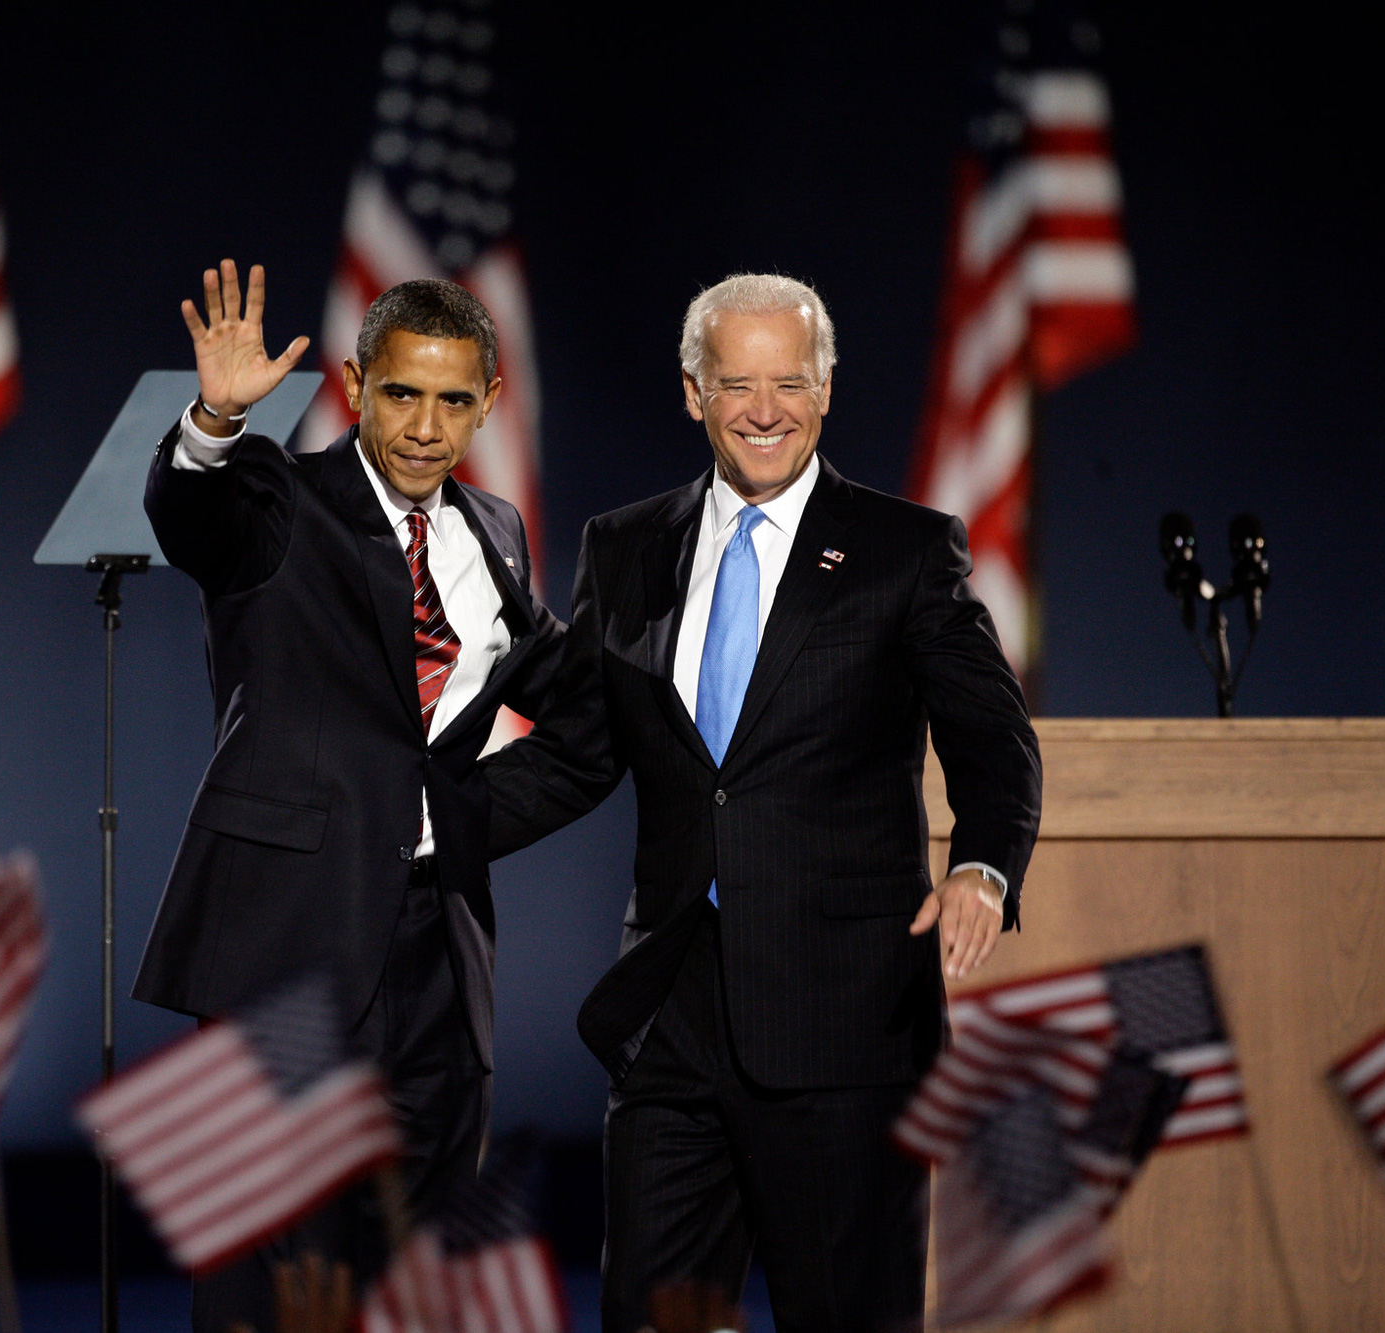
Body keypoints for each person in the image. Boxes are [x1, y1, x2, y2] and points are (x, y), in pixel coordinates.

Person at [482, 274, 1042, 1332]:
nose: (763, 408)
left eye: (788, 381)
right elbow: (581, 754)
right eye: (735, 383)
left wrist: (981, 863)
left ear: (825, 390)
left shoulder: (904, 550)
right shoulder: (625, 546)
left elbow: (993, 742)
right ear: (692, 393)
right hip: (670, 1014)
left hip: (846, 1024)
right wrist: (426, 827)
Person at [136, 260, 566, 1332]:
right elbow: (191, 515)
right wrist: (213, 421)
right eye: (400, 393)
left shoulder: (495, 532)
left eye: (452, 399)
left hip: (435, 942)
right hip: (285, 939)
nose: (424, 425)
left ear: (489, 403)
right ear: (354, 383)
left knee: (413, 1248)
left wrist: (472, 820)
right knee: (270, 1248)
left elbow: (567, 696)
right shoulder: (279, 499)